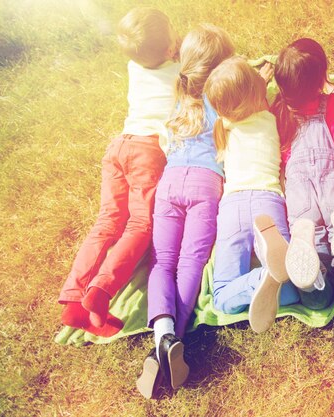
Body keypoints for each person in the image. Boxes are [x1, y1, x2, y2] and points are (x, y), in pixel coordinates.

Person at [58, 7, 178, 337]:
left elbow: (154, 53)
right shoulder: (180, 73)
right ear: (170, 49)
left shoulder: (134, 65)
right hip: (146, 151)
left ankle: (73, 297)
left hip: (118, 147)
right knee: (141, 224)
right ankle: (101, 292)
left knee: (108, 221)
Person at [136, 24, 234, 399]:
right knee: (191, 262)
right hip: (205, 185)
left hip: (170, 182)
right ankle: (173, 337)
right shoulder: (223, 98)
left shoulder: (176, 91)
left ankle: (162, 335)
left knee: (162, 261)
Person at [271, 38, 334, 309]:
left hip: (299, 184)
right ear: (322, 78)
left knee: (312, 239)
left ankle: (313, 284)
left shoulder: (279, 111)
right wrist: (329, 88)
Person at [205, 56, 299, 334]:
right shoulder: (269, 119)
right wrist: (262, 80)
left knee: (221, 296)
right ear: (259, 94)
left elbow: (229, 99)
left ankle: (258, 279)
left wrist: (253, 81)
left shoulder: (222, 125)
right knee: (293, 287)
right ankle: (276, 276)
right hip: (268, 201)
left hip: (232, 205)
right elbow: (251, 94)